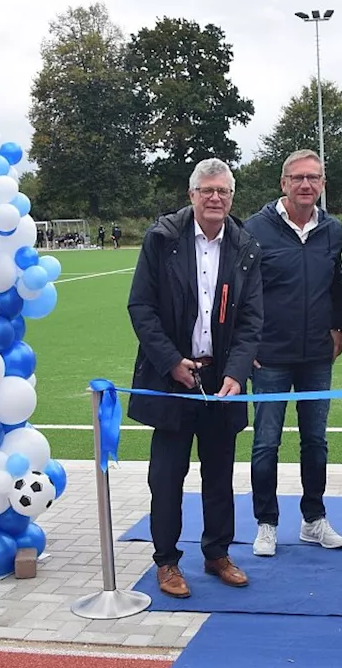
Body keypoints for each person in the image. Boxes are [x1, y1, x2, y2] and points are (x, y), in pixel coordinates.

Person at [127, 158, 263, 599]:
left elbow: (250, 320)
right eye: (207, 190)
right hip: (172, 379)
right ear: (192, 195)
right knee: (167, 476)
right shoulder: (162, 239)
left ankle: (217, 553)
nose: (215, 198)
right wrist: (171, 362)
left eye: (222, 191)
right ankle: (166, 561)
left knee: (219, 474)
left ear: (231, 196)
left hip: (220, 380)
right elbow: (141, 308)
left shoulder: (245, 246)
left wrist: (237, 374)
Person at [243, 149, 342, 557]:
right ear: (283, 183)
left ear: (322, 184)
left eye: (315, 178)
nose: (307, 185)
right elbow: (241, 292)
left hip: (316, 357)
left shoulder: (333, 229)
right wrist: (246, 344)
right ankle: (266, 523)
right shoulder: (254, 228)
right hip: (269, 355)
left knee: (315, 442)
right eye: (298, 178)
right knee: (266, 443)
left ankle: (313, 519)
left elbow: (336, 283)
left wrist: (339, 327)